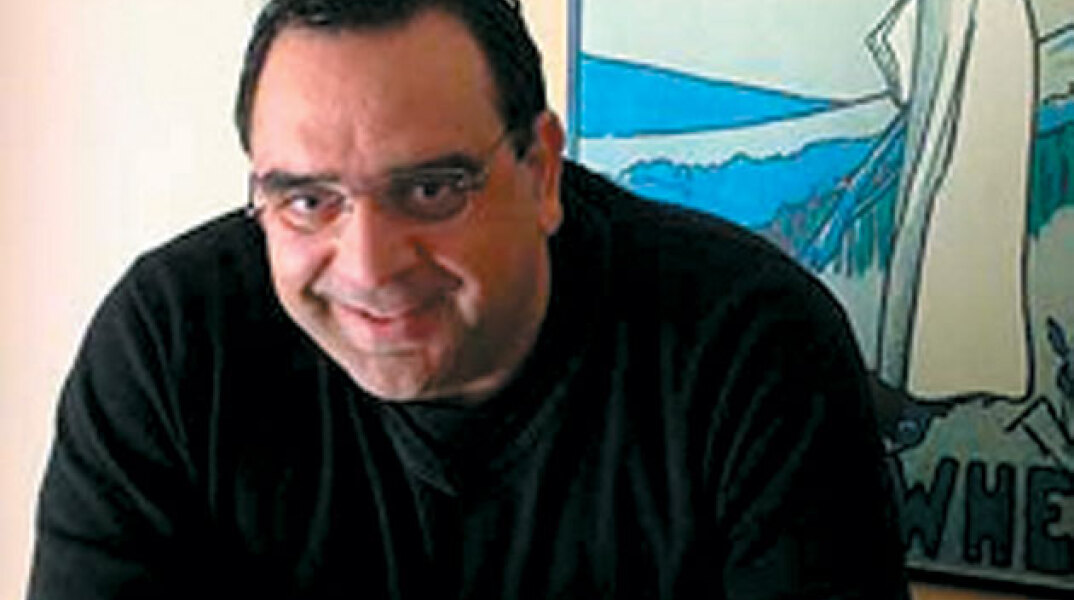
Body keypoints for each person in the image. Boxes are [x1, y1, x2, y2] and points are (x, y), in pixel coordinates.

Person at [28, 0, 909, 598]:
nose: (368, 266)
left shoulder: (751, 348)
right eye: (306, 200)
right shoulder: (171, 344)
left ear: (542, 171)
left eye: (431, 190)